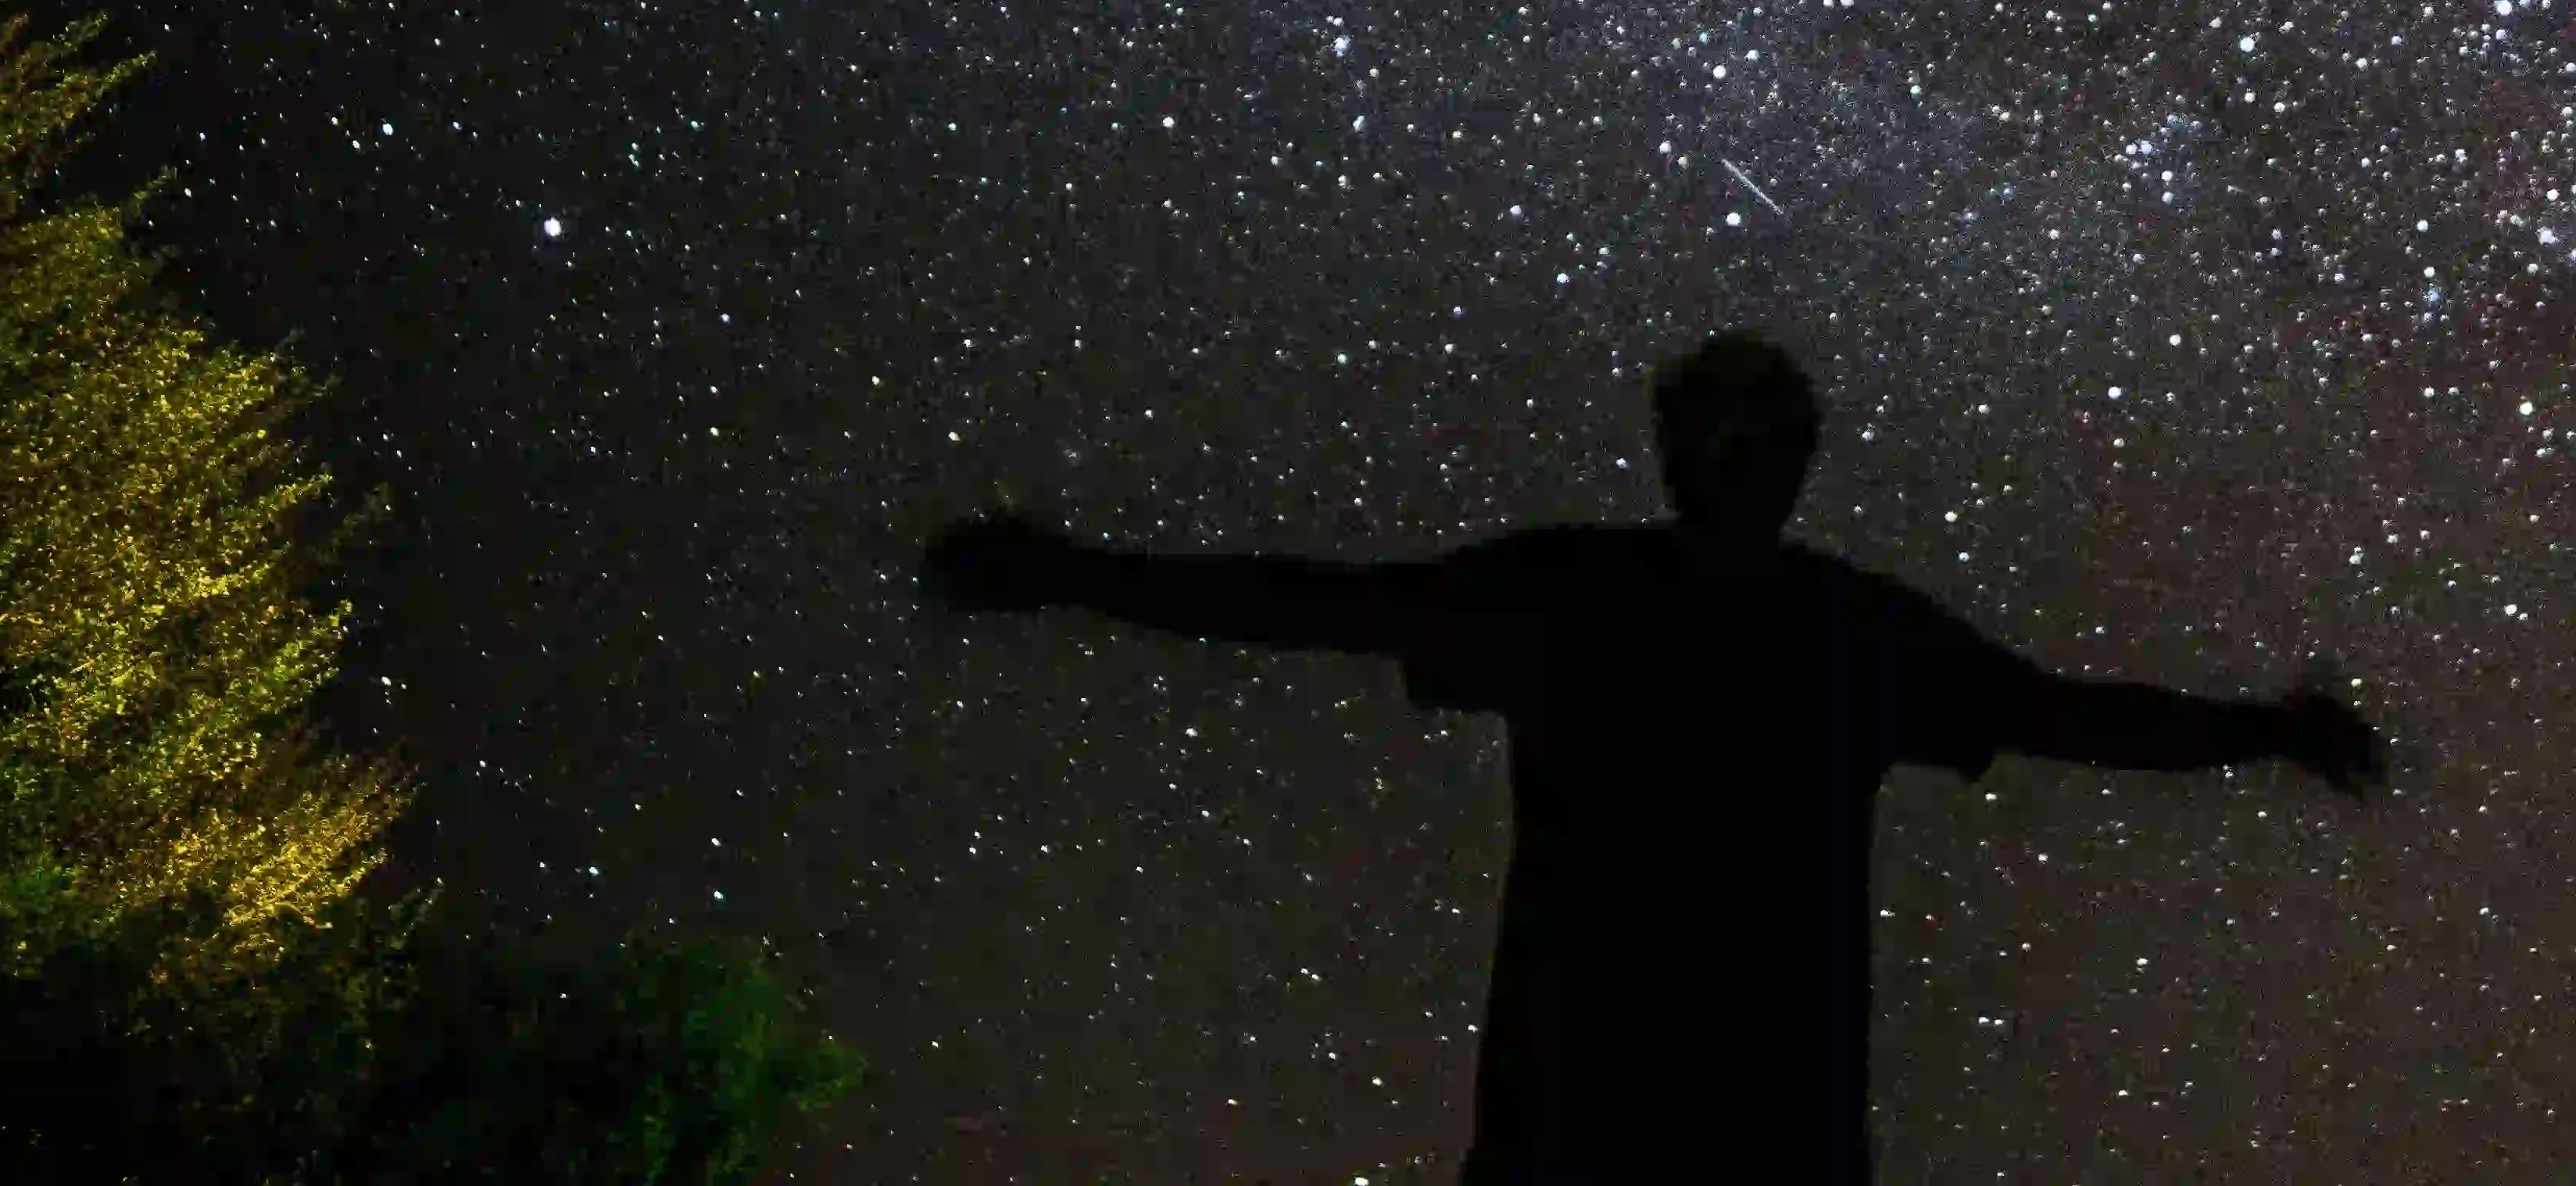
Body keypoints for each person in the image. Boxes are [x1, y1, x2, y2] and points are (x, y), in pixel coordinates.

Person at [920, 330, 2385, 1184]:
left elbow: (1312, 604)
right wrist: (2270, 731)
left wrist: (1076, 574)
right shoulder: (1828, 631)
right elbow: (2079, 716)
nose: (1739, 456)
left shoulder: (1605, 601)